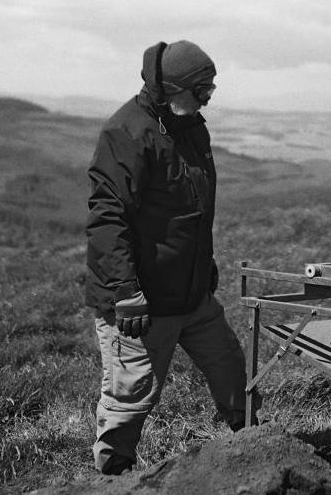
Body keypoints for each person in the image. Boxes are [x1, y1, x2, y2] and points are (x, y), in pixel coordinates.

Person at [85, 40, 254, 475]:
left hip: (191, 294)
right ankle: (111, 479)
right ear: (173, 87)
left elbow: (190, 210)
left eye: (210, 90)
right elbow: (109, 219)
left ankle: (258, 452)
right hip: (139, 304)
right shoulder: (126, 133)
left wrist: (205, 263)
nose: (208, 99)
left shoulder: (192, 127)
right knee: (132, 394)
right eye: (201, 91)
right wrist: (125, 291)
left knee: (232, 371)